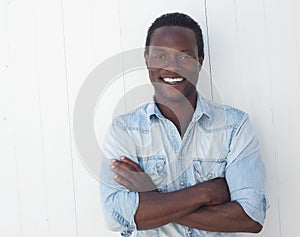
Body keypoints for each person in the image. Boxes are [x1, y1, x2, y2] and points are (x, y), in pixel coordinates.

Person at [100, 12, 267, 237]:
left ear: (200, 61)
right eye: (160, 56)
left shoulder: (234, 127)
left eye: (185, 57)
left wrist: (152, 197)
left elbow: (250, 216)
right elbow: (115, 216)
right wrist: (206, 193)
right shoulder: (124, 132)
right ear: (146, 59)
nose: (172, 67)